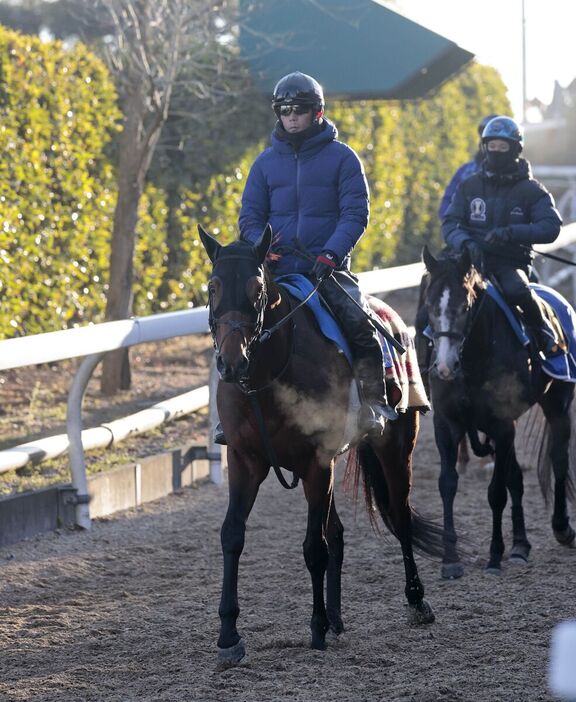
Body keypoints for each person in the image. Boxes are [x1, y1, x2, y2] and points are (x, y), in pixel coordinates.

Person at [214, 71, 396, 445]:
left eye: (300, 109)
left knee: (359, 325)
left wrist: (331, 252)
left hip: (326, 270)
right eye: (284, 110)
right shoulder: (264, 164)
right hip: (276, 270)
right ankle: (230, 418)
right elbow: (249, 218)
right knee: (233, 323)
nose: (292, 116)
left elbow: (355, 215)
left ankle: (374, 404)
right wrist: (261, 248)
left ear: (318, 112)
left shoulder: (344, 159)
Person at [442, 115, 562, 357]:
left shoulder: (532, 191)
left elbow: (550, 227)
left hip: (510, 263)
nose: (496, 151)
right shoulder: (469, 185)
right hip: (469, 261)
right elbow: (450, 223)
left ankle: (545, 332)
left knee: (517, 290)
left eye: (503, 147)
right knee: (436, 292)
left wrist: (511, 233)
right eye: (492, 146)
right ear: (484, 147)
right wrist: (464, 242)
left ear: (515, 149)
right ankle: (425, 352)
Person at [438, 114, 498, 220]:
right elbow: (447, 202)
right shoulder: (465, 171)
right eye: (487, 139)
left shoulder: (518, 175)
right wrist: (455, 232)